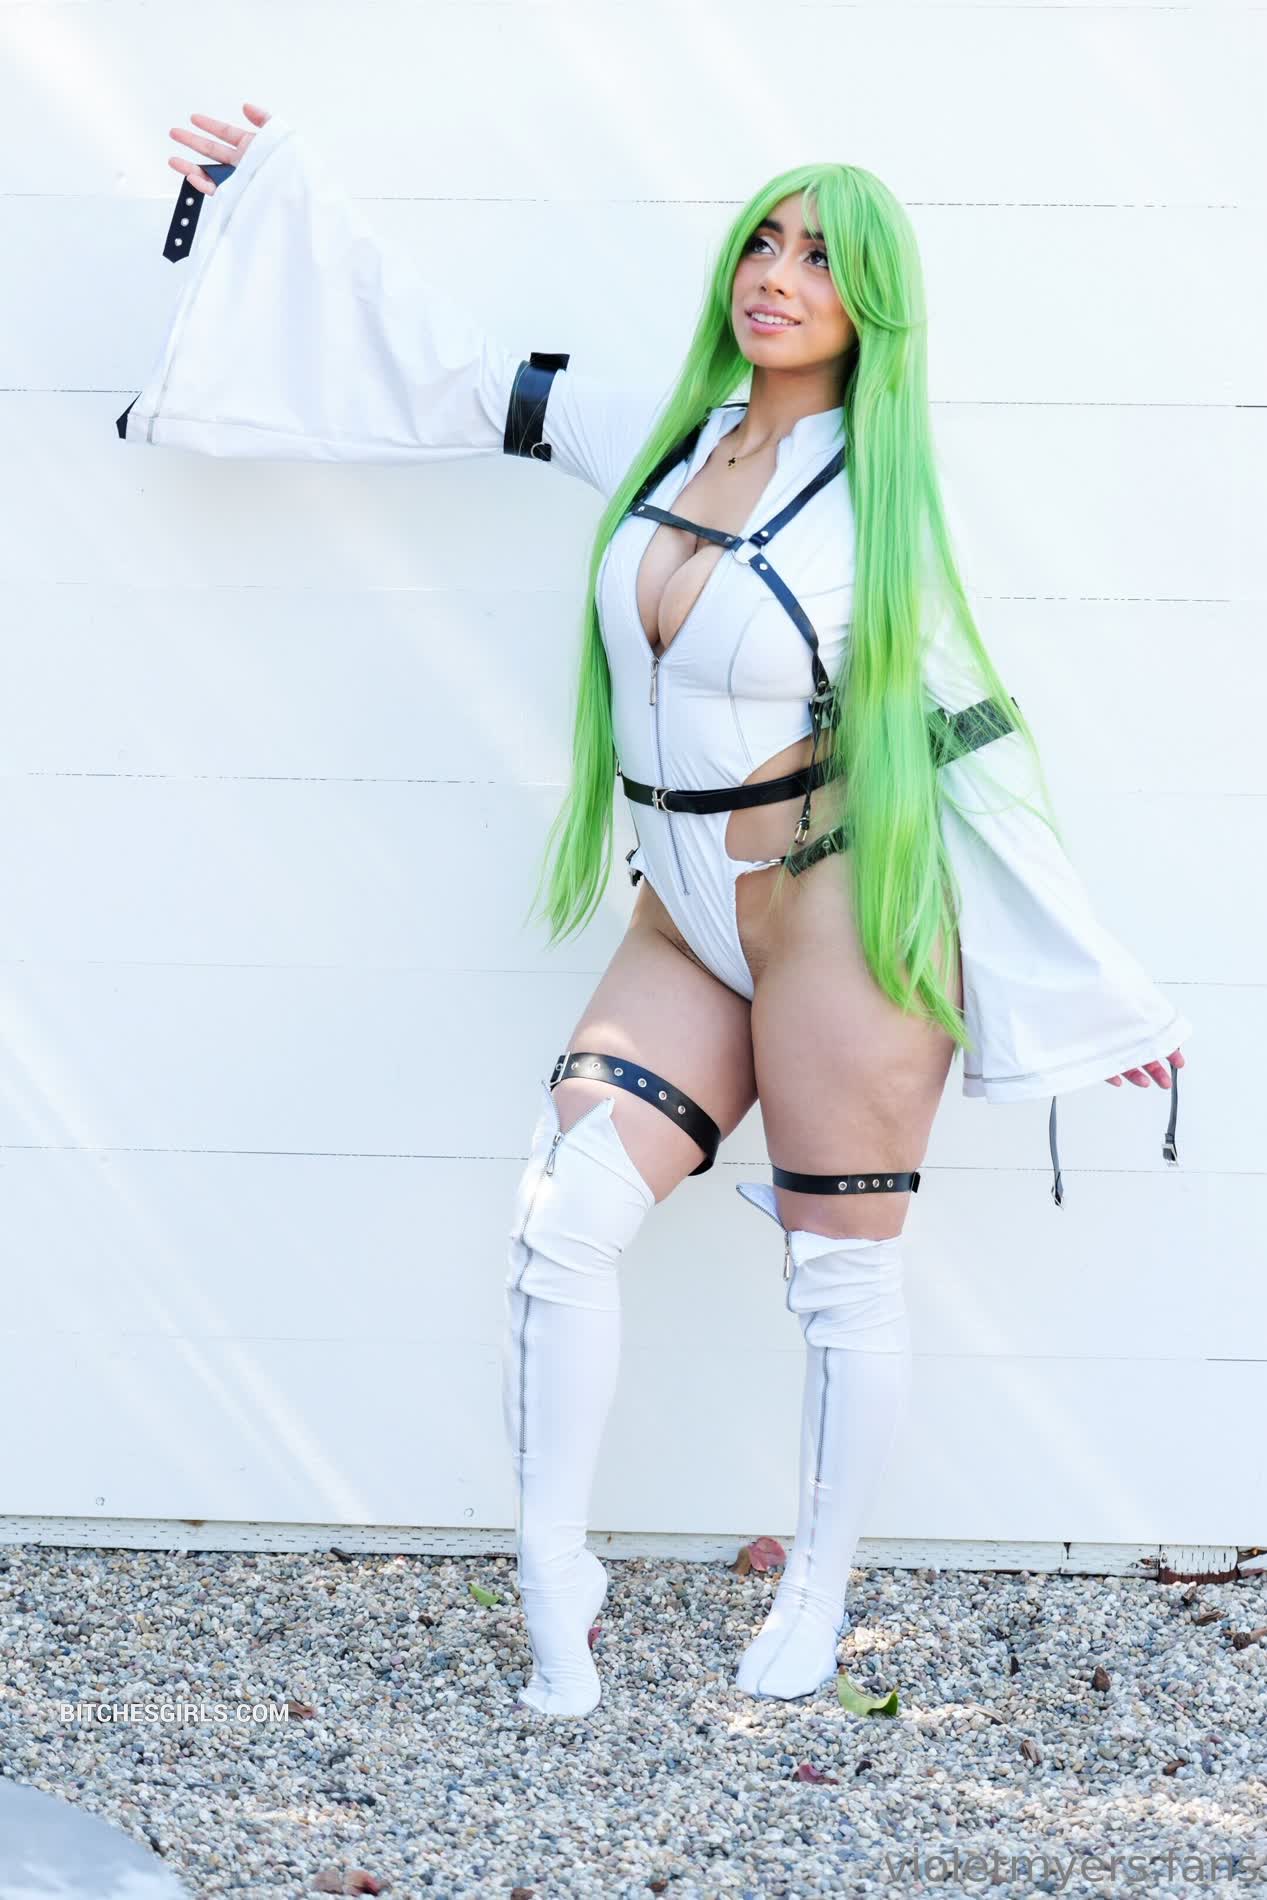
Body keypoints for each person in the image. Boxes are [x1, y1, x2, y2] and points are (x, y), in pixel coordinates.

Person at [120, 104, 1191, 1719]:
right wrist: (270, 200)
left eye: (822, 258)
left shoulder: (882, 502)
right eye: (765, 239)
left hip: (837, 923)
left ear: (872, 307)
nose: (779, 274)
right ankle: (556, 1572)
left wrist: (1094, 987)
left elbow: (972, 739)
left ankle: (819, 1591)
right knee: (562, 1217)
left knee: (840, 1280)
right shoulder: (667, 435)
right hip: (683, 914)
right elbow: (456, 376)